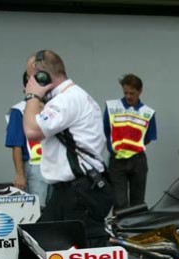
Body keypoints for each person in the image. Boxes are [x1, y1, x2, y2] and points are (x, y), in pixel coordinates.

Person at [22, 49, 114, 247]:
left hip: (80, 192)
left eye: (29, 77)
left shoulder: (66, 100)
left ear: (42, 77)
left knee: (87, 254)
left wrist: (32, 96)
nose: (27, 83)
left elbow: (32, 130)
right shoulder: (70, 97)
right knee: (38, 246)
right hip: (71, 191)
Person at [103, 74, 157, 210]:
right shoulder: (111, 107)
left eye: (132, 93)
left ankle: (136, 230)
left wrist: (133, 146)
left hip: (138, 159)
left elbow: (149, 137)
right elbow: (105, 130)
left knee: (138, 202)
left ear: (140, 92)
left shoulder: (148, 112)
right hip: (117, 159)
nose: (128, 96)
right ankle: (119, 230)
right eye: (125, 92)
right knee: (119, 201)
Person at [5, 72, 48, 206]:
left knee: (57, 208)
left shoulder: (53, 107)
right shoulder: (19, 110)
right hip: (35, 166)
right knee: (38, 208)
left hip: (57, 164)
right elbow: (16, 144)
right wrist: (20, 174)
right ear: (26, 87)